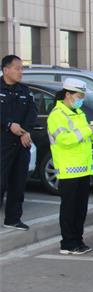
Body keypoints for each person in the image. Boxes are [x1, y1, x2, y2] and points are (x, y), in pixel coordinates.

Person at [47, 78, 93, 255]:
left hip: (83, 167)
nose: (81, 100)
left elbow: (84, 138)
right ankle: (68, 243)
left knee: (80, 209)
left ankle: (78, 241)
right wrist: (88, 130)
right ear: (68, 95)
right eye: (79, 96)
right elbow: (65, 140)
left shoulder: (78, 112)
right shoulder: (57, 115)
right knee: (70, 209)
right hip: (68, 169)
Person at [1, 55, 37, 231]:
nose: (20, 72)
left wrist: (25, 131)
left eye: (22, 68)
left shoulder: (25, 91)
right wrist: (8, 125)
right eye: (17, 68)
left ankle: (13, 219)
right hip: (3, 143)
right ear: (6, 69)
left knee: (18, 182)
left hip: (22, 142)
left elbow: (32, 113)